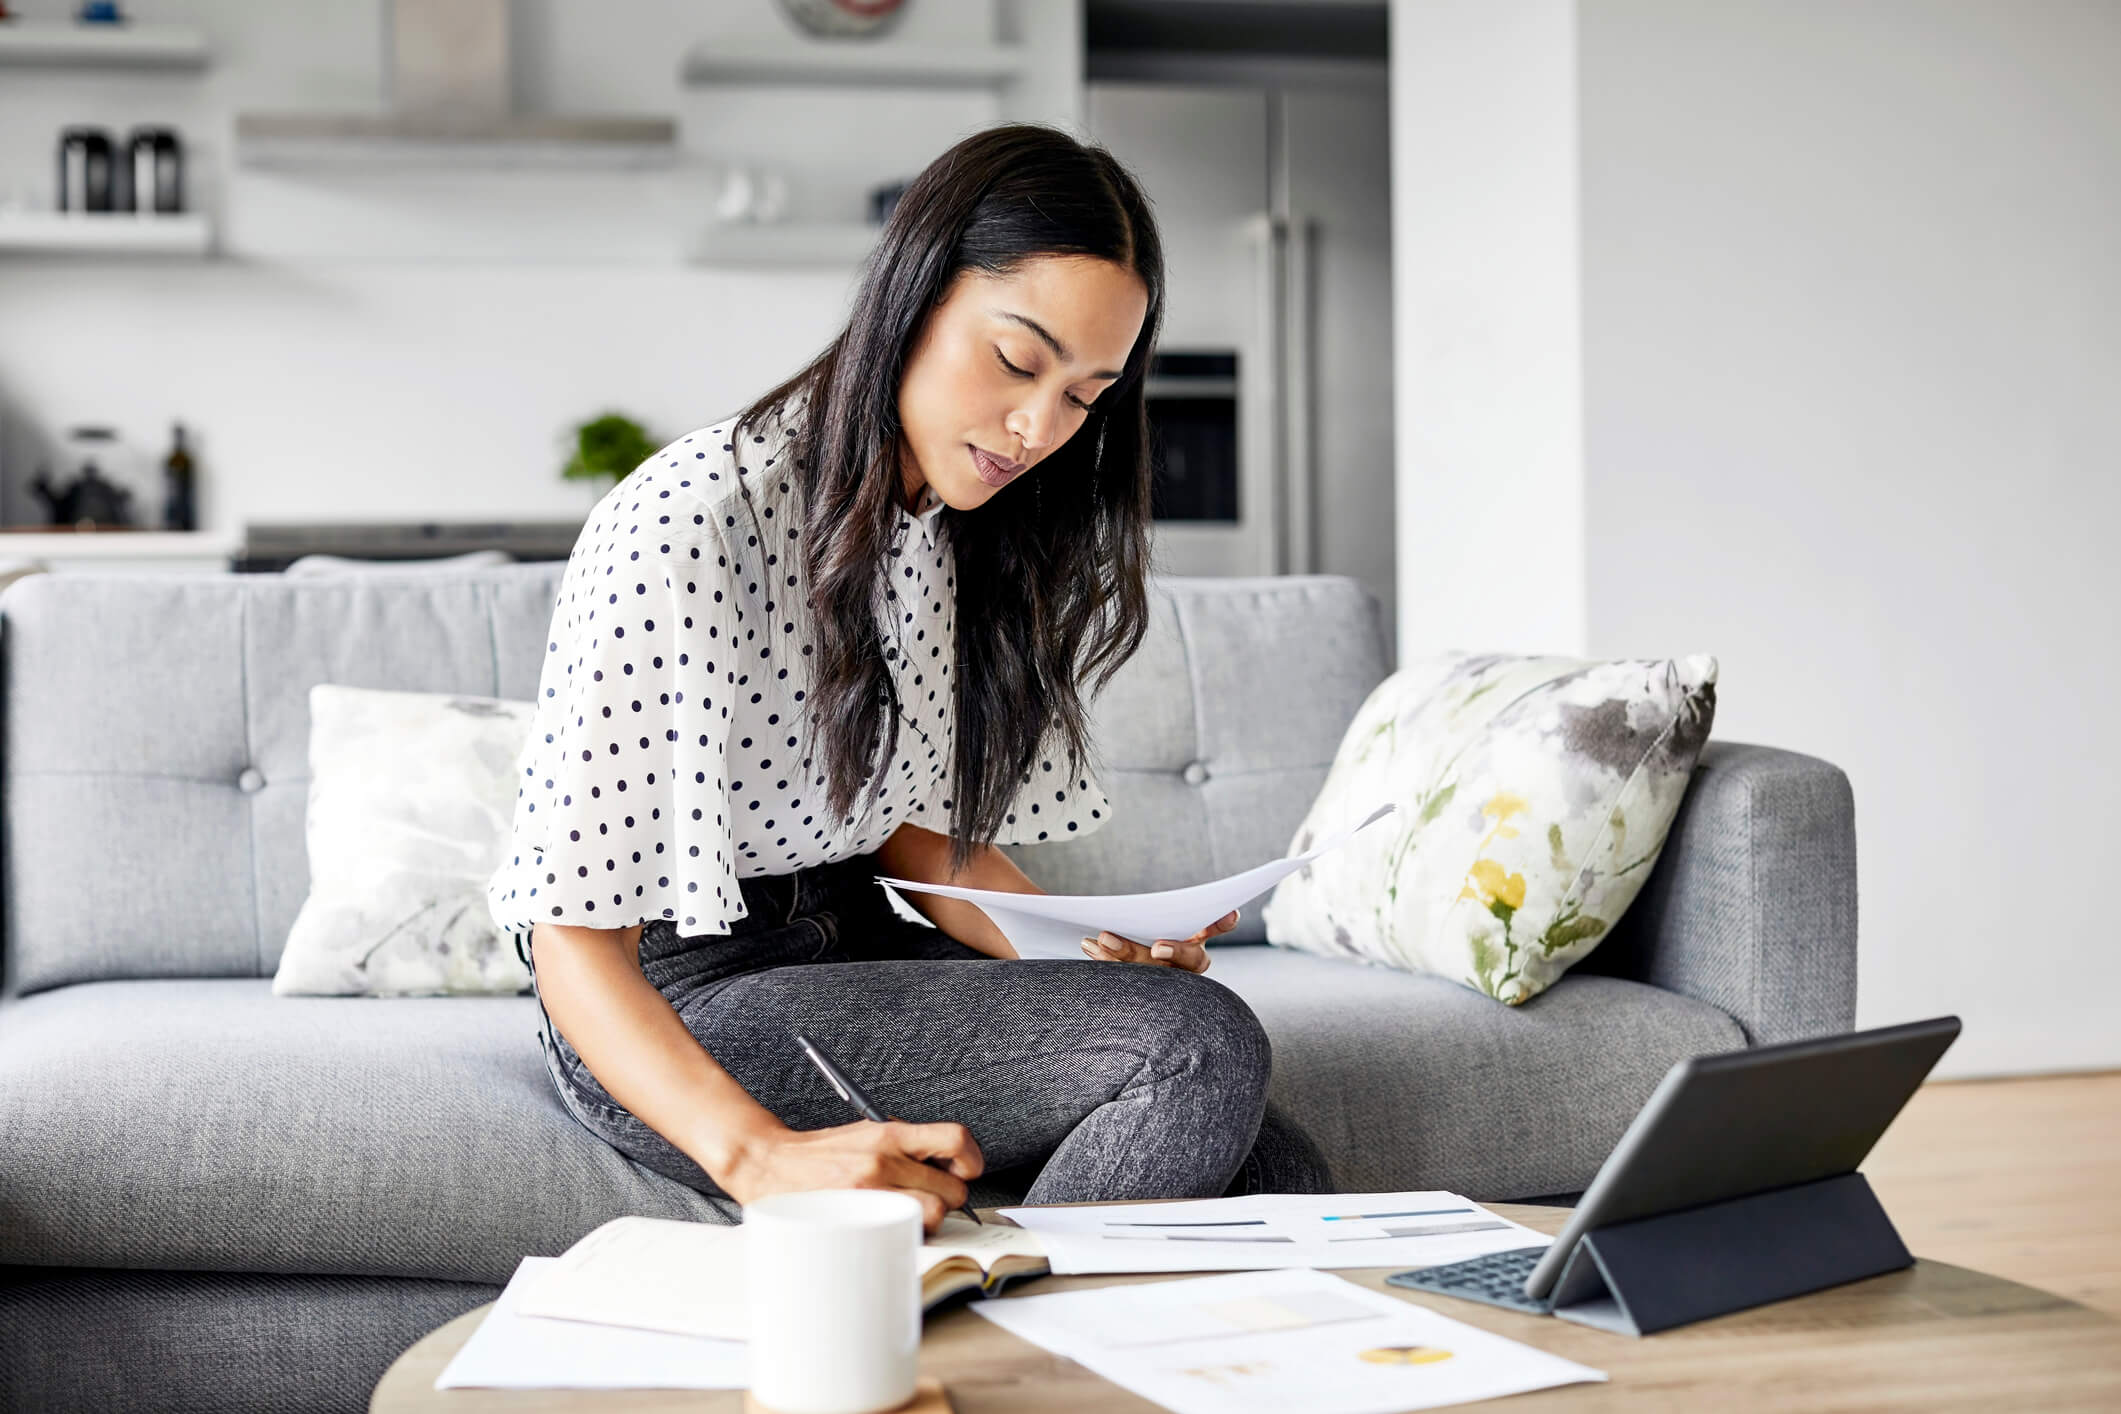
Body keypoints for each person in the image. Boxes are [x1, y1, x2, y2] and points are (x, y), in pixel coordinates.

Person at [488, 123, 1330, 1233]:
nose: (1040, 428)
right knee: (1198, 1048)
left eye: (1086, 396)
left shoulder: (957, 524)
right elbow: (571, 936)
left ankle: (1033, 1346)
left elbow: (913, 837)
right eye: (1018, 361)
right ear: (914, 295)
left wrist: (1096, 953)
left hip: (849, 942)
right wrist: (760, 1158)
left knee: (1276, 1167)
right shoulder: (693, 521)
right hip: (672, 1002)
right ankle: (993, 1355)